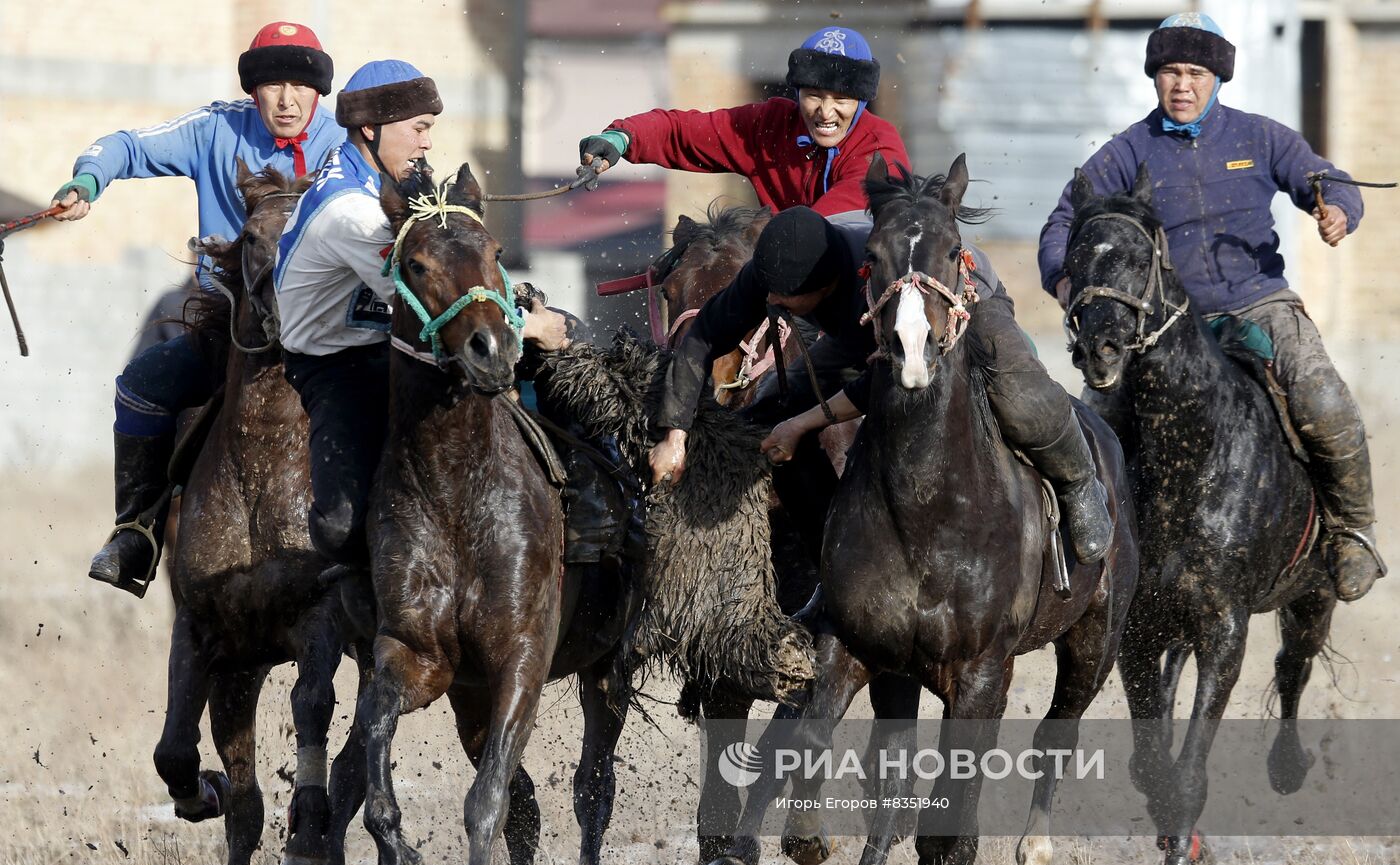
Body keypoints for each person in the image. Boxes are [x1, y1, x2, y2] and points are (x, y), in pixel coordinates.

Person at [1037, 12, 1384, 602]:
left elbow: (1326, 179)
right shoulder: (1126, 152)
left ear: (1217, 78)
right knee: (1095, 424)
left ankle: (1351, 532)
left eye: (1195, 72)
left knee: (1323, 398)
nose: (1182, 85)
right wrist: (1067, 283)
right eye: (1171, 71)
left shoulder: (1261, 137)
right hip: (1162, 325)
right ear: (1154, 78)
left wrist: (1338, 209)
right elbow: (1063, 222)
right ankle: (1083, 544)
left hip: (1258, 305)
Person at [651, 205, 1114, 567]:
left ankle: (1079, 482)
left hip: (954, 300)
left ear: (826, 284)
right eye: (767, 290)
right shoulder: (773, 274)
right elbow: (702, 339)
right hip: (861, 328)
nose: (770, 302)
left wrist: (800, 425)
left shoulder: (876, 282)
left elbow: (889, 378)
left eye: (783, 298)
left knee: (1022, 398)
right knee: (773, 395)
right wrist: (675, 434)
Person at [75, 22, 343, 596]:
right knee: (142, 382)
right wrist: (88, 179)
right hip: (229, 326)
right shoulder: (214, 127)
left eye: (300, 85)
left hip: (321, 330)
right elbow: (125, 146)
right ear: (254, 90)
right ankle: (137, 532)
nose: (287, 99)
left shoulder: (343, 145)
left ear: (319, 91)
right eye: (273, 85)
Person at [275, 60, 572, 568]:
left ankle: (583, 507)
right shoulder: (353, 211)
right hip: (338, 368)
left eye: (428, 130)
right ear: (371, 129)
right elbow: (435, 302)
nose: (427, 144)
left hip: (386, 344)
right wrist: (530, 325)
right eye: (418, 129)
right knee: (341, 526)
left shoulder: (374, 176)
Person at [577, 26, 909, 222]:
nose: (825, 112)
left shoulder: (881, 144)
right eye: (813, 95)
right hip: (783, 273)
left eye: (841, 99)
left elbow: (829, 223)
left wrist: (765, 237)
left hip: (855, 292)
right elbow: (683, 132)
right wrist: (623, 137)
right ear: (797, 92)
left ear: (862, 101)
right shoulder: (770, 125)